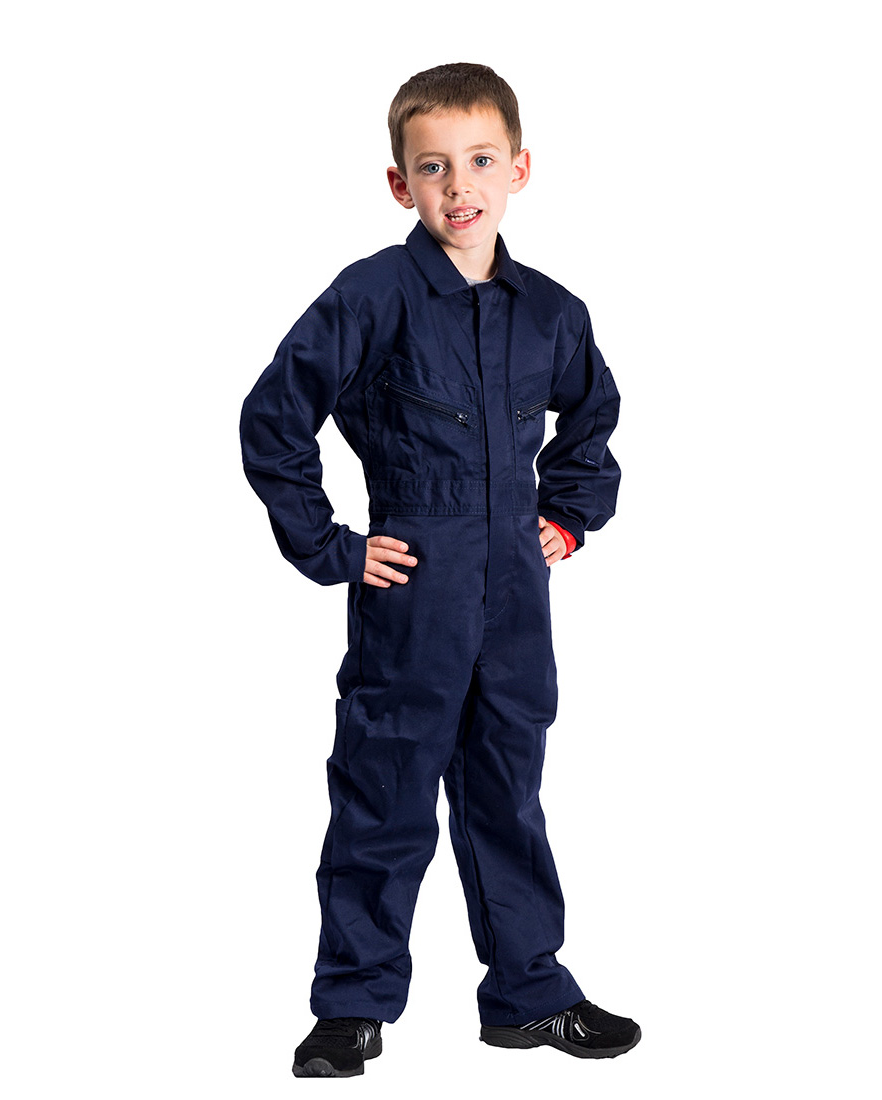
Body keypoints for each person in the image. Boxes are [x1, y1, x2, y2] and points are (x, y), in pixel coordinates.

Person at [240, 62, 640, 1078]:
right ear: (399, 183)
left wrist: (568, 516)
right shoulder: (372, 295)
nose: (459, 185)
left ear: (519, 170)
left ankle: (528, 994)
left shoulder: (550, 311)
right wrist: (333, 547)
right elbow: (274, 417)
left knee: (509, 790)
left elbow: (593, 414)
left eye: (479, 161)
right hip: (413, 585)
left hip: (515, 593)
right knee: (384, 789)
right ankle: (351, 1005)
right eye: (433, 167)